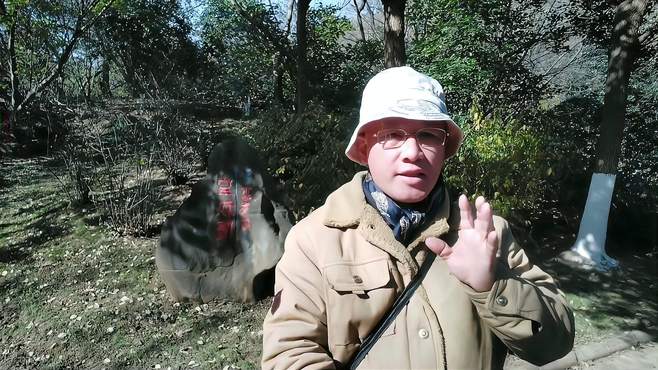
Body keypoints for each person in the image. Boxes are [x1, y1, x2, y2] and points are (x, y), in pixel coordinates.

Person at [261, 66, 575, 369]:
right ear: (365, 144)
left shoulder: (486, 233)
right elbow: (289, 353)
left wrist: (492, 285)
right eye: (393, 134)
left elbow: (556, 342)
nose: (412, 151)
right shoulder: (314, 240)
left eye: (427, 135)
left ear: (444, 147)